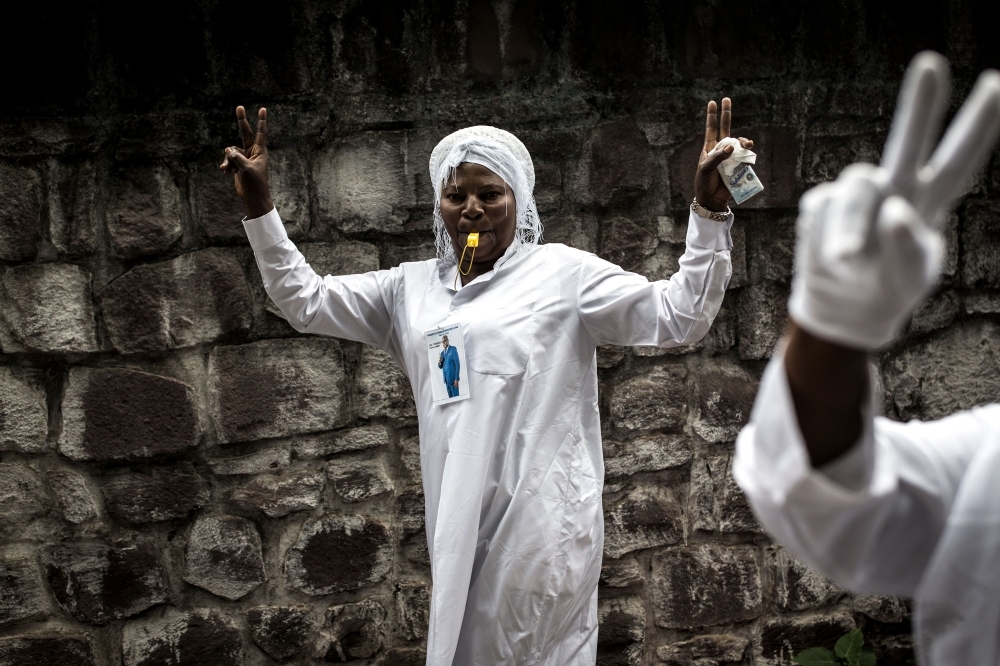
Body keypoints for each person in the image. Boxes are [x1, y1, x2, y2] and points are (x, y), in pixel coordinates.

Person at [221, 100, 753, 665]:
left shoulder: (561, 275)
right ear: (439, 206)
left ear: (517, 202)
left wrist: (709, 215)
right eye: (457, 196)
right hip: (457, 524)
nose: (472, 210)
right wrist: (260, 208)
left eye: (490, 195)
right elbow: (306, 301)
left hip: (540, 526)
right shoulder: (411, 290)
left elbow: (680, 315)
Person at [732, 52, 1000, 666]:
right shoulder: (988, 463)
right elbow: (830, 499)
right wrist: (833, 327)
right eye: (457, 193)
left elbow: (673, 313)